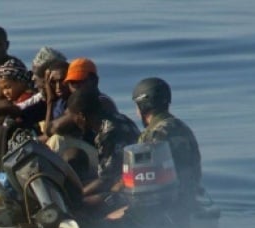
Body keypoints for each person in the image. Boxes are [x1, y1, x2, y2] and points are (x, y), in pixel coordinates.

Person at [63, 88, 140, 208]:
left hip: (126, 188)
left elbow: (106, 181)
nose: (74, 122)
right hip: (127, 176)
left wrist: (78, 195)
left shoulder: (107, 134)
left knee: (77, 206)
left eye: (73, 117)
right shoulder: (120, 118)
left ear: (82, 116)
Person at [132, 77, 202, 207]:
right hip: (189, 198)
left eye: (137, 106)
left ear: (143, 105)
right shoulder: (182, 127)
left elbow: (144, 179)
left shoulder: (154, 134)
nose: (136, 112)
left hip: (164, 205)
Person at [47, 57, 118, 141]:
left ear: (94, 81)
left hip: (102, 150)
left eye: (80, 81)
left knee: (57, 140)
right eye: (72, 83)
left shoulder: (101, 101)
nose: (76, 87)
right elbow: (49, 130)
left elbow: (55, 128)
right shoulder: (69, 102)